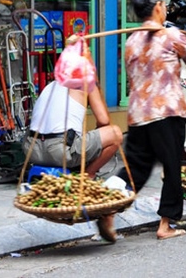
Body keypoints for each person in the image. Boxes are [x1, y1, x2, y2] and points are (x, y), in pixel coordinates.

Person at [116, 0, 186, 241]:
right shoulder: (170, 35)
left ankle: (108, 209)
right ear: (158, 7)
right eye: (164, 5)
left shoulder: (130, 40)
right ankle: (165, 224)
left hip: (138, 115)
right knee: (171, 167)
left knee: (136, 168)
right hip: (166, 113)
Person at [23, 72, 124, 243]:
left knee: (83, 141)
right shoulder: (84, 81)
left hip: (31, 148)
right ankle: (88, 176)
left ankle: (81, 173)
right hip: (58, 150)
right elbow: (103, 120)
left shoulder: (51, 85)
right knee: (115, 133)